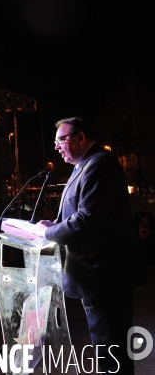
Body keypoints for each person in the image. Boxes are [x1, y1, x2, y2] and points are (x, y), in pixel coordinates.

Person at [36, 117, 145, 374]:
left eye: (61, 139)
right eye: (56, 141)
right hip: (95, 274)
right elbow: (81, 215)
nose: (57, 146)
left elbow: (88, 219)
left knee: (110, 347)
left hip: (104, 274)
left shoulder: (99, 165)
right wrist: (54, 223)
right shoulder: (84, 165)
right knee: (107, 346)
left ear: (81, 137)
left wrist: (50, 232)